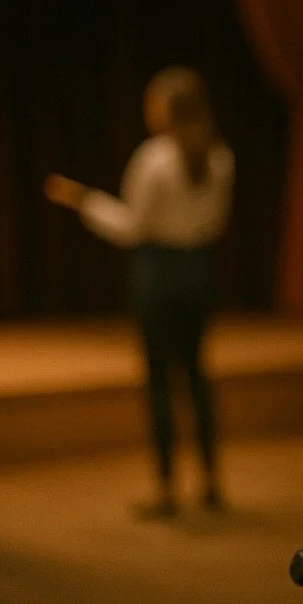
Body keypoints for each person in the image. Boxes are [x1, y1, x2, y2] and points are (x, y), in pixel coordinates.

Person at [45, 66, 234, 518]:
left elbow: (132, 226)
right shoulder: (220, 157)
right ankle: (210, 482)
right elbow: (216, 223)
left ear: (165, 110)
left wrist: (84, 200)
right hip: (199, 271)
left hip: (159, 273)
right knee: (196, 374)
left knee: (159, 380)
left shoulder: (154, 160)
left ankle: (167, 489)